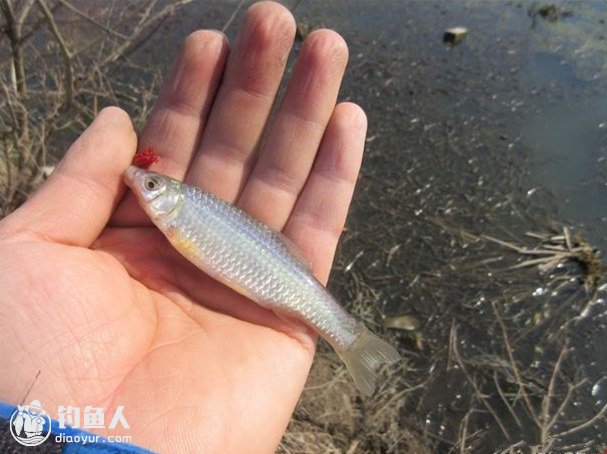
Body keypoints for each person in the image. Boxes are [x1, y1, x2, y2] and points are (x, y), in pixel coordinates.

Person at [0, 1, 366, 452]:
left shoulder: (179, 214)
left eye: (151, 185)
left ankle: (349, 335)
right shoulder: (172, 217)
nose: (141, 184)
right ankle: (349, 335)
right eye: (150, 183)